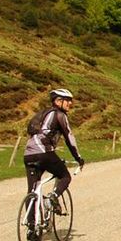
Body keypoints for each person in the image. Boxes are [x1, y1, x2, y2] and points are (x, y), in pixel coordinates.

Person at [23, 88, 85, 229]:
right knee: (65, 177)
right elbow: (69, 138)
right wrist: (78, 158)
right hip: (44, 152)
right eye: (67, 100)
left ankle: (32, 228)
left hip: (28, 154)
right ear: (58, 101)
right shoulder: (59, 115)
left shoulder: (42, 114)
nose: (70, 103)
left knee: (33, 189)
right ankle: (52, 198)